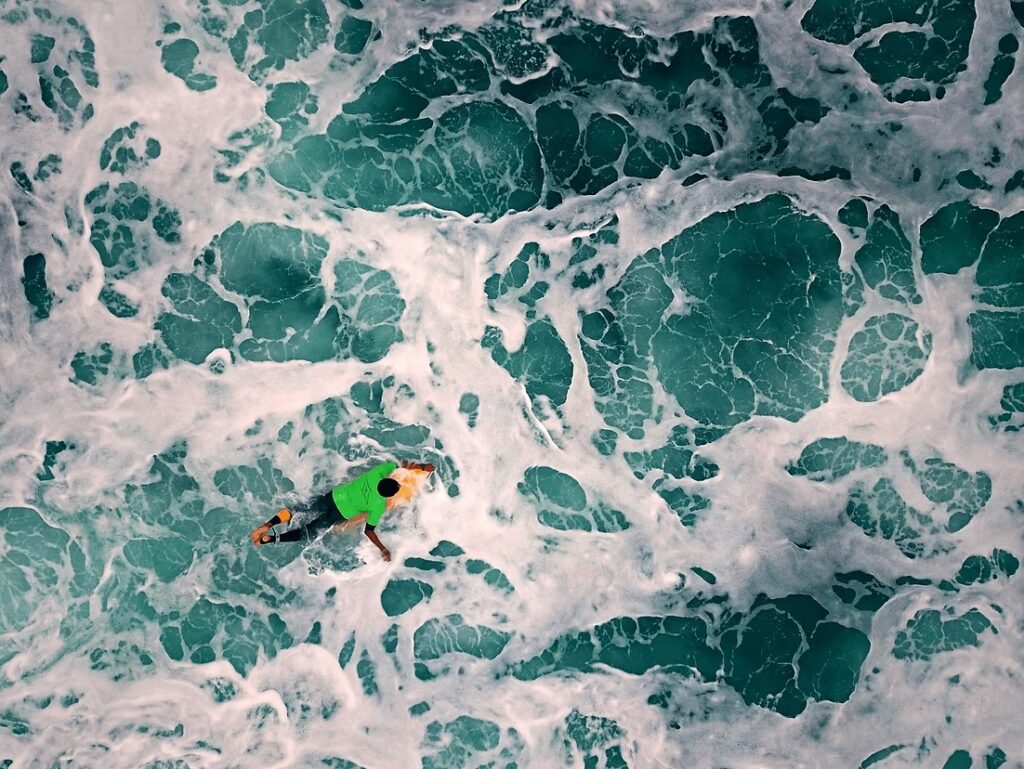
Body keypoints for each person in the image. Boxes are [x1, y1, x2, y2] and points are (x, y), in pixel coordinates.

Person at [250, 460, 434, 561]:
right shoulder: (379, 505)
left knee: (300, 510)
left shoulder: (377, 473)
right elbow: (369, 531)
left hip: (333, 497)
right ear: (389, 495)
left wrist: (414, 467)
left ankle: (265, 526)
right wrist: (383, 549)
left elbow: (398, 466)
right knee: (309, 532)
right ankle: (270, 539)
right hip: (339, 514)